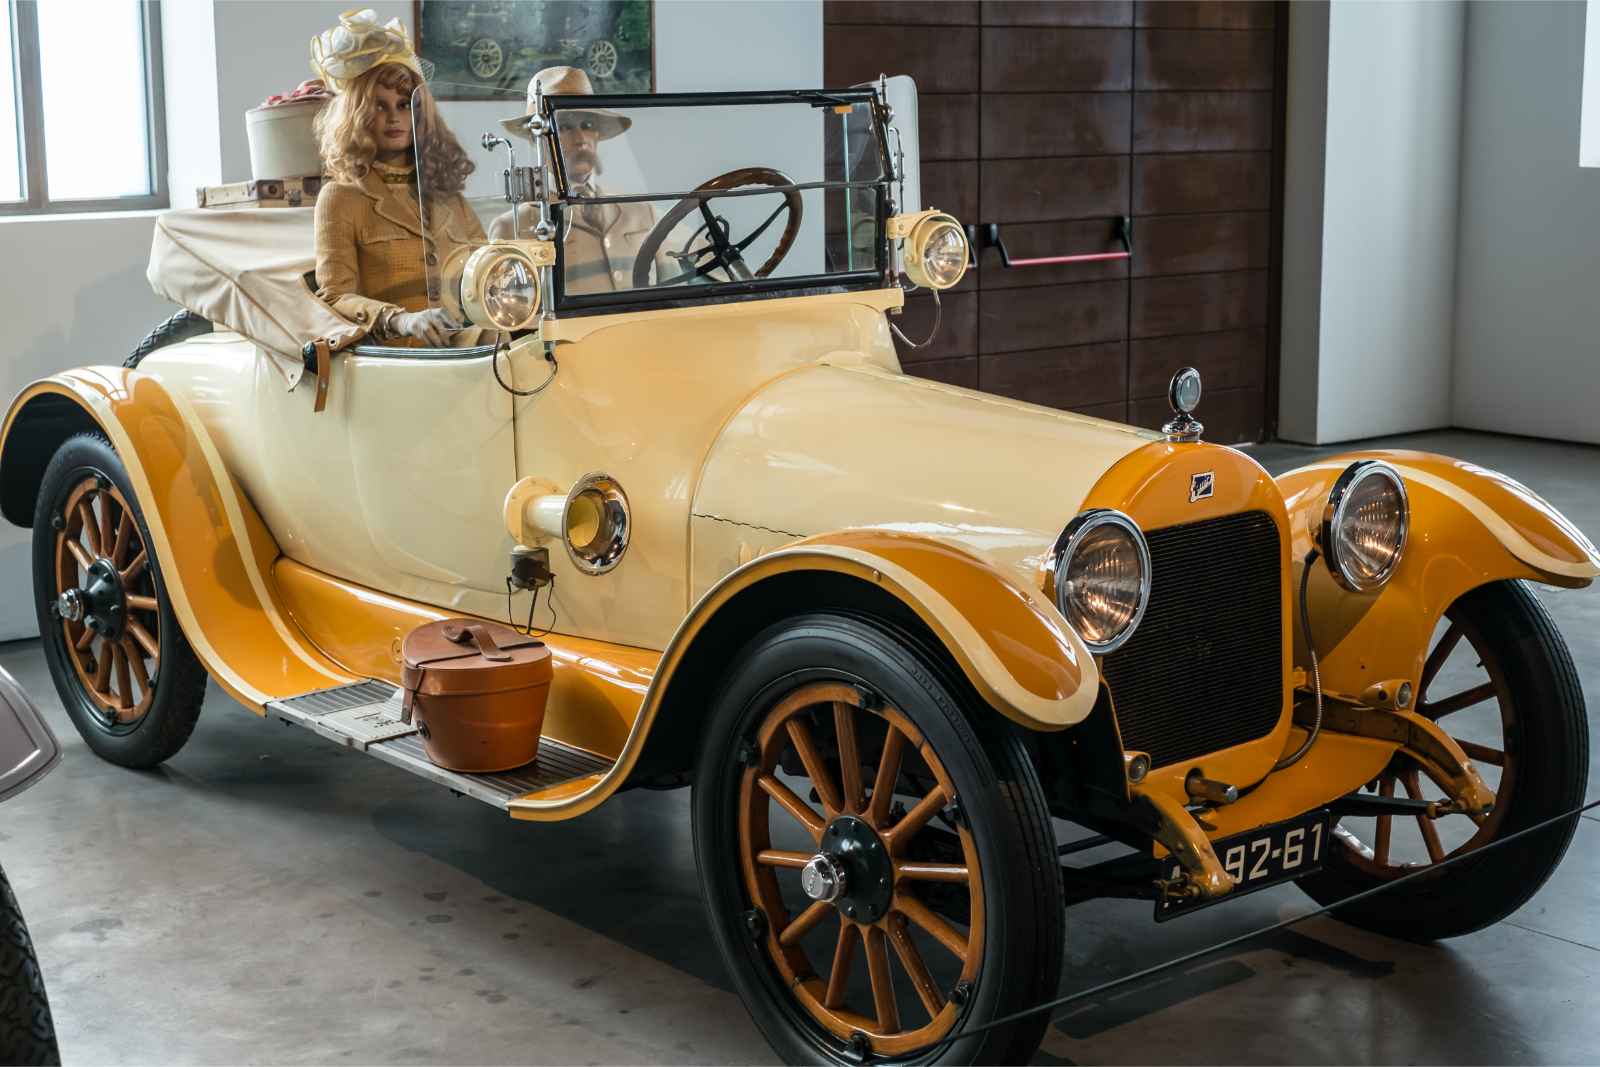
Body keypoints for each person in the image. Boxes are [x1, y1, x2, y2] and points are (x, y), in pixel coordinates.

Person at [308, 9, 483, 346]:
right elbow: (333, 298)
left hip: (467, 344)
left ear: (420, 111)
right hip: (398, 355)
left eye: (404, 104)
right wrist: (400, 319)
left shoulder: (445, 192)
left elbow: (488, 267)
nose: (394, 117)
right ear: (357, 113)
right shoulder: (341, 197)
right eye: (378, 105)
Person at [493, 66, 676, 294]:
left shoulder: (641, 211)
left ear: (598, 134)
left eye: (588, 126)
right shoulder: (514, 228)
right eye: (564, 127)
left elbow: (676, 292)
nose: (580, 139)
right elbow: (512, 317)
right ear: (535, 137)